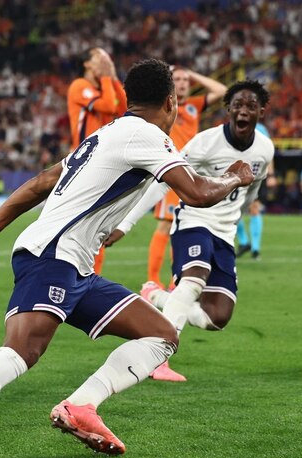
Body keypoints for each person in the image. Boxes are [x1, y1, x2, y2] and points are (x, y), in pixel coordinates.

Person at [0, 58, 254, 458]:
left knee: (160, 335)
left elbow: (44, 180)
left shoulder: (107, 134)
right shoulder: (146, 136)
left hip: (74, 265)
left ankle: (81, 406)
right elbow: (196, 193)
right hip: (54, 256)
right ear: (172, 102)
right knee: (19, 352)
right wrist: (235, 177)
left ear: (127, 97)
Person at [106, 80, 274, 381]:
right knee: (194, 280)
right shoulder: (205, 143)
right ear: (228, 109)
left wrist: (237, 216)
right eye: (237, 105)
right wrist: (125, 223)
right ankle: (157, 357)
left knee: (216, 318)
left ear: (261, 111)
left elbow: (253, 188)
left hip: (223, 233)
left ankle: (156, 296)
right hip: (194, 221)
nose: (243, 111)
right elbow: (163, 181)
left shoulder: (265, 149)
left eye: (251, 106)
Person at [147, 67, 227, 286]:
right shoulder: (161, 104)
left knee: (182, 226)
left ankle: (175, 280)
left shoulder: (194, 105)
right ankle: (153, 279)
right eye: (177, 79)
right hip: (169, 171)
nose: (182, 83)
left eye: (185, 80)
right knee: (165, 225)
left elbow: (222, 90)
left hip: (192, 172)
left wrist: (194, 75)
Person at [66, 47, 127, 275]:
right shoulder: (79, 86)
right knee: (82, 224)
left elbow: (123, 108)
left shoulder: (105, 88)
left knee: (99, 224)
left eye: (107, 57)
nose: (104, 60)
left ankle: (90, 276)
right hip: (84, 162)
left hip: (104, 162)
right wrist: (106, 77)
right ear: (87, 64)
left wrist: (112, 78)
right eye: (98, 57)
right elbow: (109, 106)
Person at [237, 121, 276, 260]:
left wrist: (271, 175)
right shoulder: (231, 126)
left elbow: (268, 153)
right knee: (232, 209)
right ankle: (244, 242)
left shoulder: (260, 129)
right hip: (237, 173)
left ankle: (255, 248)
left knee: (254, 208)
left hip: (256, 174)